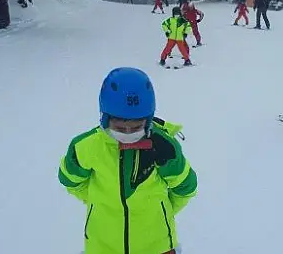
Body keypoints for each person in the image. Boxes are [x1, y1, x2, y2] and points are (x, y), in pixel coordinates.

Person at [58, 67, 198, 254]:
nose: (128, 134)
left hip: (157, 246)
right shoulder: (85, 147)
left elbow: (186, 187)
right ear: (105, 118)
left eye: (136, 127)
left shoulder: (163, 148)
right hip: (103, 246)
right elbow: (70, 181)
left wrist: (160, 210)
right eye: (120, 127)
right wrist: (98, 201)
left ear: (148, 120)